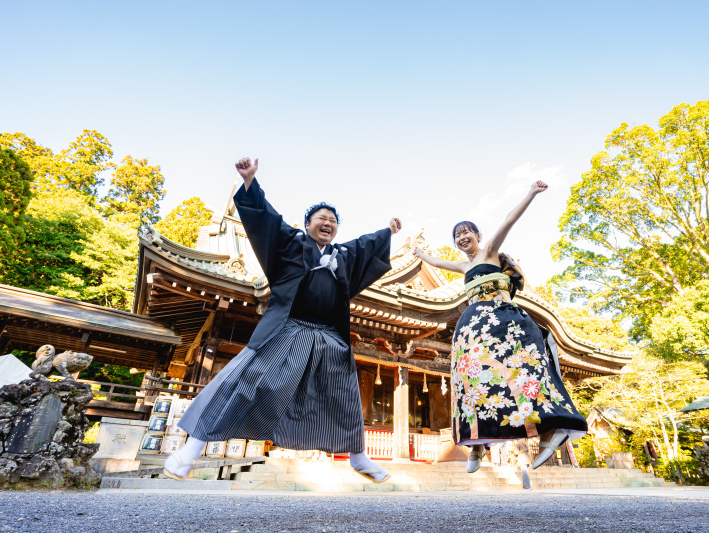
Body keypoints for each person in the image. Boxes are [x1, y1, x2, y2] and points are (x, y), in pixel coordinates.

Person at [166, 157, 402, 483]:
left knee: (345, 393)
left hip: (328, 337)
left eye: (333, 221)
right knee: (243, 379)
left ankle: (359, 457)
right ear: (307, 224)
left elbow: (366, 246)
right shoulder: (290, 243)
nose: (328, 224)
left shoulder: (343, 256)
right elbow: (268, 220)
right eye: (321, 218)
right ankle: (187, 453)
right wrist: (250, 182)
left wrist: (388, 231)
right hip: (286, 329)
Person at [413, 180, 586, 474]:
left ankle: (548, 430)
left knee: (523, 372)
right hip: (473, 328)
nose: (462, 237)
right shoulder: (464, 267)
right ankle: (477, 444)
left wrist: (530, 194)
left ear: (478, 235)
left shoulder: (490, 251)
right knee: (472, 380)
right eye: (457, 235)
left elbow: (509, 220)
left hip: (503, 320)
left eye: (467, 231)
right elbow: (436, 261)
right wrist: (419, 255)